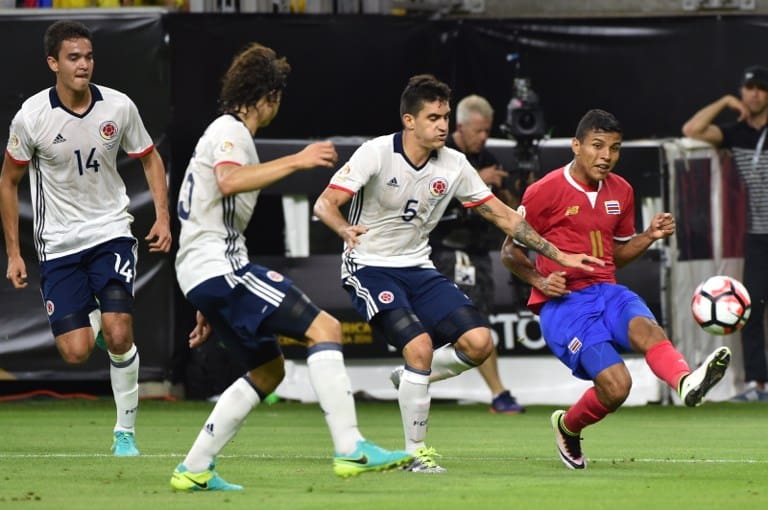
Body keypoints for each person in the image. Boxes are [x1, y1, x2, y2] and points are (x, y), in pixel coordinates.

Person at [313, 74, 603, 473]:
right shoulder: (376, 153)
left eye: (446, 117)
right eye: (433, 117)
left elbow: (503, 216)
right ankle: (415, 454)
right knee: (420, 347)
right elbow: (325, 204)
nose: (442, 126)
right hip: (369, 266)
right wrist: (344, 228)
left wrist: (558, 254)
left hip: (418, 267)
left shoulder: (454, 164)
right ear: (409, 121)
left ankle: (412, 376)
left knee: (480, 342)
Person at [170, 42, 412, 492]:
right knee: (326, 328)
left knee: (269, 370)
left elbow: (207, 214)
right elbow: (227, 181)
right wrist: (299, 160)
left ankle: (195, 467)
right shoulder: (230, 131)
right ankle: (351, 448)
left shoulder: (224, 133)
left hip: (205, 271)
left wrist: (206, 298)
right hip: (217, 268)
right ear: (269, 96)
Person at [500, 108, 732, 470]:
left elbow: (615, 255)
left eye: (615, 148)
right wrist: (540, 280)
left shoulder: (621, 190)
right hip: (565, 305)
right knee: (616, 386)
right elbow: (509, 252)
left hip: (608, 291)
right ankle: (567, 427)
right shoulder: (544, 191)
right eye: (597, 145)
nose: (606, 156)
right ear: (576, 146)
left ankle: (685, 383)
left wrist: (649, 236)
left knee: (648, 331)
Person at [0, 20, 171, 456]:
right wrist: (14, 253)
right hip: (58, 244)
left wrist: (163, 217)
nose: (84, 65)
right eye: (73, 57)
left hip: (110, 231)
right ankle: (95, 324)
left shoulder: (118, 107)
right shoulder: (32, 117)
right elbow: (8, 181)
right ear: (53, 63)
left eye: (89, 56)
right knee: (75, 352)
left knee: (119, 333)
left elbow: (150, 158)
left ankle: (124, 433)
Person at [428, 94, 524, 414]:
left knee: (476, 323)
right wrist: (478, 182)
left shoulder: (489, 157)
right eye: (478, 131)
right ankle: (498, 392)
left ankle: (417, 377)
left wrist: (512, 191)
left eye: (487, 131)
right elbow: (430, 195)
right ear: (460, 127)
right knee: (471, 323)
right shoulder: (440, 154)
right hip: (445, 249)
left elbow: (507, 209)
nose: (483, 137)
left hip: (478, 252)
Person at [681, 65, 768, 402]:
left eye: (762, 88)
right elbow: (692, 129)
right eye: (750, 88)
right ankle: (759, 385)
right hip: (758, 236)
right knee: (751, 308)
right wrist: (726, 101)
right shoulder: (737, 133)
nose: (755, 94)